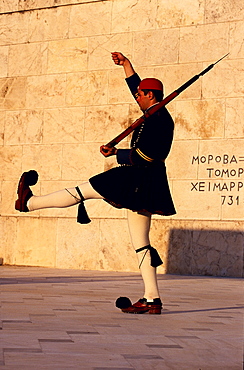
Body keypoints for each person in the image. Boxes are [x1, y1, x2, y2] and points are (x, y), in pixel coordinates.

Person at [15, 52, 176, 315]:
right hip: (143, 182)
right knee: (141, 243)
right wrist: (126, 65)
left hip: (139, 177)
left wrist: (116, 154)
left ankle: (30, 203)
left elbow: (147, 155)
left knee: (85, 189)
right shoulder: (151, 113)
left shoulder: (160, 119)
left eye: (141, 94)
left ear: (151, 95)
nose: (136, 96)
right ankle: (152, 299)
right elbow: (134, 86)